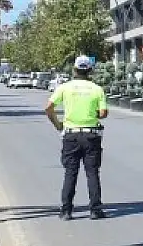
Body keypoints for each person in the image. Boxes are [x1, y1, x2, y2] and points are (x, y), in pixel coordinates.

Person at [45, 55, 108, 220]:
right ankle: (95, 209)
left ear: (74, 70)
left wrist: (58, 124)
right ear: (90, 70)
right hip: (91, 135)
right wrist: (91, 113)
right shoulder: (96, 89)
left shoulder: (65, 88)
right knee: (92, 173)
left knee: (70, 172)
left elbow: (49, 108)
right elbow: (103, 113)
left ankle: (66, 210)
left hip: (71, 135)